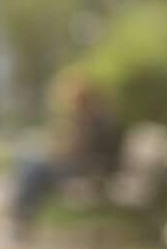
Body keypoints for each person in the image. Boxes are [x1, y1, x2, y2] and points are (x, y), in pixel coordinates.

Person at [8, 77, 120, 240]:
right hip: (84, 167)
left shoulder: (94, 121)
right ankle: (21, 215)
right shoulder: (93, 118)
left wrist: (58, 150)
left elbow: (76, 150)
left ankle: (21, 217)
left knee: (34, 169)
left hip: (92, 171)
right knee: (30, 163)